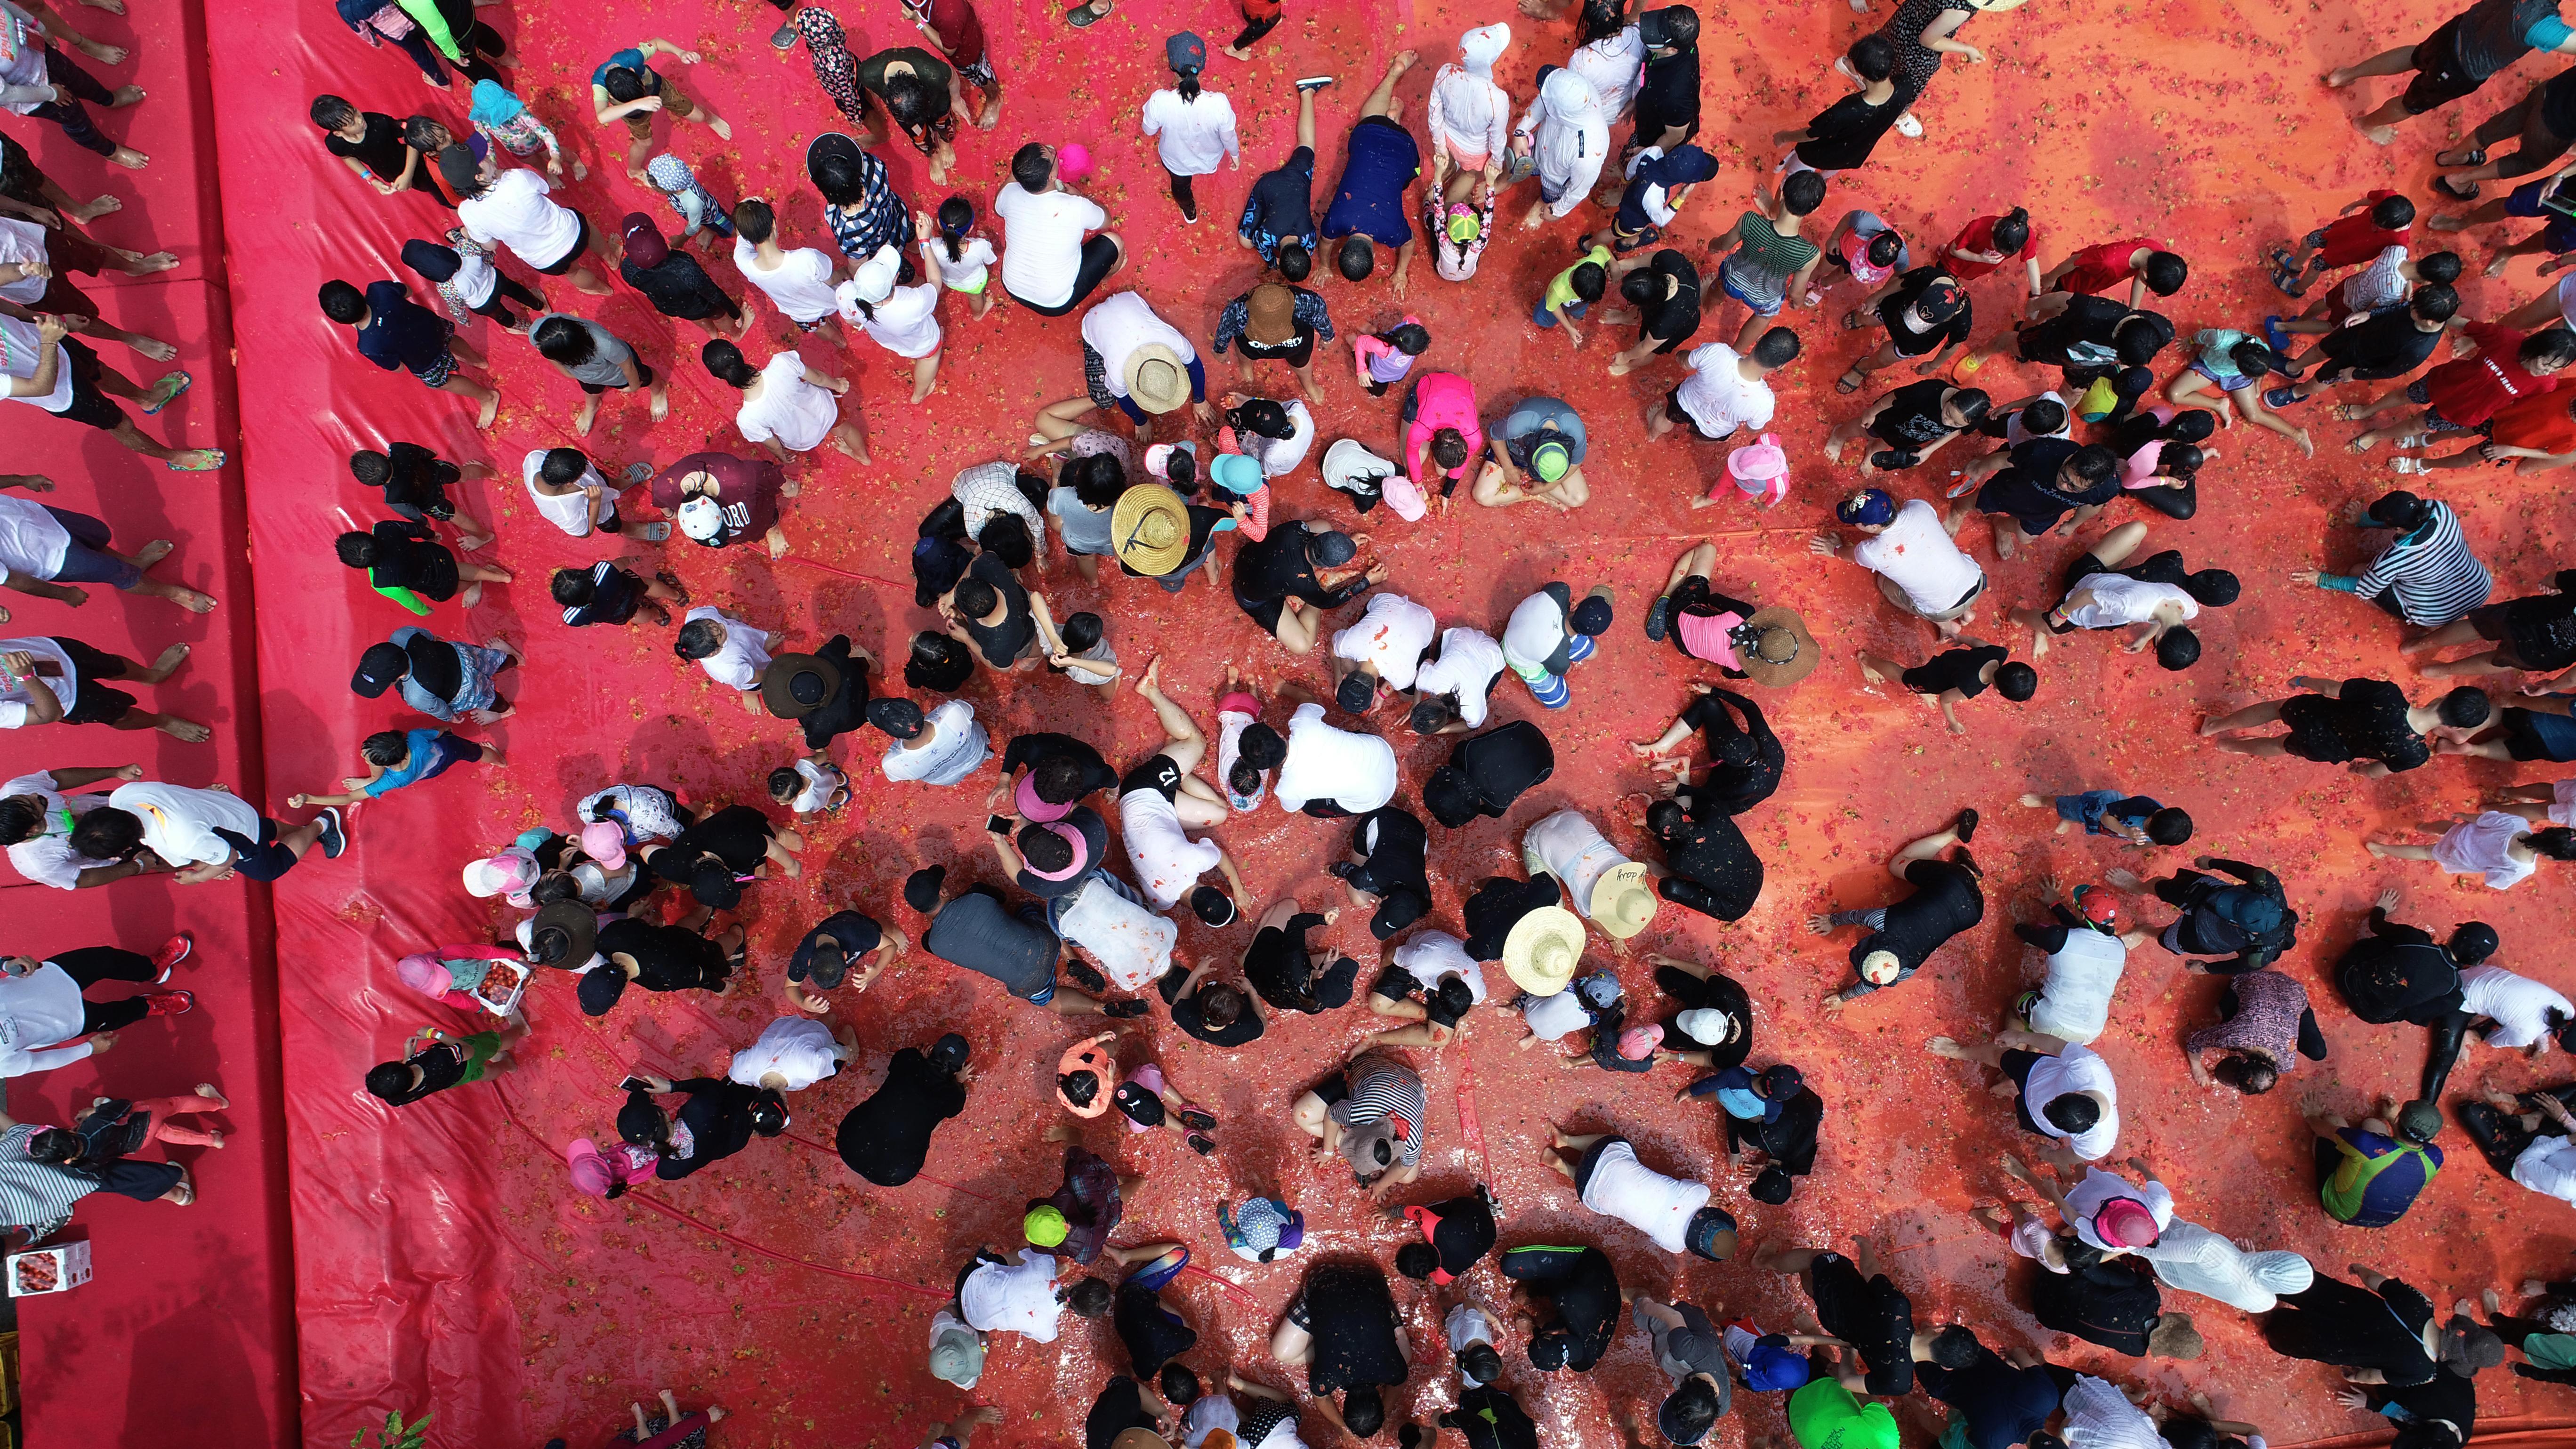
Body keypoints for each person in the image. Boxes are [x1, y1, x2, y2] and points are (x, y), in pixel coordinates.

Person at [2323, 0, 2576, 145]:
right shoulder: (2544, 28)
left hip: (2458, 29)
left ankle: (2345, 75)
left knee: (2417, 55)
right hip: (2464, 68)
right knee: (2410, 105)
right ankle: (2366, 124)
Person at [1809, 811, 1982, 1014]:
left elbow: (1872, 982)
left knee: (1897, 863)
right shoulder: (1885, 926)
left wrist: (1843, 997)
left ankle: (1957, 843)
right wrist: (1832, 921)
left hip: (1972, 913)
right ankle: (1964, 867)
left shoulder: (1906, 967)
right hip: (1961, 896)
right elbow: (1855, 919)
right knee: (1912, 877)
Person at [2008, 520, 2238, 670]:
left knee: (2136, 533)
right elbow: (2088, 595)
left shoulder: (2188, 608)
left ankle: (2044, 621)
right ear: (2160, 640)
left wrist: (2144, 638)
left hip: (2111, 582)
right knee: (2052, 627)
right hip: (2083, 589)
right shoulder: (2127, 608)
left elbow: (2166, 621)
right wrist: (2061, 614)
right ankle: (2019, 615)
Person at [908, 863, 1117, 1018]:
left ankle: (1100, 1008)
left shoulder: (934, 945)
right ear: (943, 892)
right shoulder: (976, 896)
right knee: (1028, 909)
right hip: (1044, 943)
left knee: (1048, 1000)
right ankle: (1071, 960)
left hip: (1028, 983)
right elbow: (1002, 898)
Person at [2203, 677, 2490, 775]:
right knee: (2282, 746)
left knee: (2276, 710)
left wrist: (2304, 681)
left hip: (2318, 713)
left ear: (2443, 696)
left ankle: (2215, 727)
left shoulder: (2388, 696)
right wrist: (2362, 770)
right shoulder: (2415, 755)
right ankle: (2230, 746)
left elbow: (2332, 688)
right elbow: (2378, 771)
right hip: (2329, 746)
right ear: (2453, 728)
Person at [317, 278, 500, 427]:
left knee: (443, 382)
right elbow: (408, 291)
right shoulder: (379, 290)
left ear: (342, 321)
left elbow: (398, 368)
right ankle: (478, 361)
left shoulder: (369, 346)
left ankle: (487, 397)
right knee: (450, 338)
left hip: (425, 360)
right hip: (432, 327)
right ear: (357, 292)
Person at [0, 491, 215, 615]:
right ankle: (173, 594)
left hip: (38, 517)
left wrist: (22, 479)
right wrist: (63, 594)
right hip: (49, 559)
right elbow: (13, 580)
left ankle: (135, 562)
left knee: (98, 533)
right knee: (118, 573)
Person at [0, 938, 193, 1075]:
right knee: (118, 1015)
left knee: (105, 959)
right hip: (68, 1021)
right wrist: (88, 1049)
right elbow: (36, 1062)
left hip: (47, 979)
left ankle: (152, 969)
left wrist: (6, 964)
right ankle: (151, 1005)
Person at [1926, 1030, 2121, 1166]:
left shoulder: (2100, 1142)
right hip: (2036, 1072)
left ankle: (2014, 1091)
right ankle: (1958, 1051)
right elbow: (2055, 1045)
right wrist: (2020, 1036)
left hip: (2036, 1121)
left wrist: (2051, 1155)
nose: (2046, 1104)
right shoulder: (2088, 1068)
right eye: (2051, 1102)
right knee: (1999, 1055)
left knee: (2022, 1114)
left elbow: (2074, 1155)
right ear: (2077, 1092)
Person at [1538, 1128, 1737, 1260]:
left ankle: (1566, 1140)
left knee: (1618, 1142)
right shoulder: (1676, 1245)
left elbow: (1694, 1193)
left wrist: (1708, 1200)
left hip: (1603, 1155)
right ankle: (1562, 1166)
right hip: (1588, 1192)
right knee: (1605, 1197)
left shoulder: (1699, 1193)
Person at [1811, 488, 1985, 636]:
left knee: (1884, 583)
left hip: (1944, 608)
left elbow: (1844, 553)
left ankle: (1945, 624)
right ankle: (1966, 613)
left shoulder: (1872, 551)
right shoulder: (1918, 507)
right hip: (1976, 581)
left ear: (1872, 528)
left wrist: (1834, 549)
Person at [445, 149, 614, 298]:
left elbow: (491, 245)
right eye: (482, 157)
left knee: (574, 272)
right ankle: (612, 259)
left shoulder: (467, 211)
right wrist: (504, 173)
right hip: (573, 232)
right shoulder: (516, 177)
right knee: (588, 227)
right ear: (479, 176)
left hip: (547, 261)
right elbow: (544, 188)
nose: (489, 156)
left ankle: (602, 289)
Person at [1321, 51, 1423, 296]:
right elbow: (1325, 242)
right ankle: (1393, 81)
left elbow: (1410, 243)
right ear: (1345, 244)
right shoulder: (1336, 222)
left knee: (1408, 175)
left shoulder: (1391, 232)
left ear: (1374, 252)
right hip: (1369, 134)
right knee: (1367, 119)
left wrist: (1400, 272)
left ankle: (1395, 120)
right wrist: (1325, 264)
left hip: (1406, 148)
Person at [1759, 1236, 1916, 1394]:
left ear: (1939, 1331)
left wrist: (1866, 1246)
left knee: (1818, 1257)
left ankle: (1764, 1260)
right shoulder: (1900, 1383)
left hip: (1846, 1295)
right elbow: (1848, 1381)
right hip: (1838, 1324)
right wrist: (1848, 1354)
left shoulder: (1899, 1310)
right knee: (1817, 1292)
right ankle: (1803, 1270)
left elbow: (1870, 1269)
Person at [1272, 1261, 1411, 1437]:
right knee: (1280, 1353)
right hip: (1321, 1282)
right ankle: (1326, 1343)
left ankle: (1328, 1341)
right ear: (1345, 1403)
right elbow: (1322, 1400)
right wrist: (1342, 1428)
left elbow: (1399, 1382)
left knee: (1405, 1356)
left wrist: (1384, 1412)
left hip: (1372, 1281)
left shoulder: (1394, 1369)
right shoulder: (1328, 1377)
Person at [2104, 853, 2299, 973]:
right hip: (2209, 892)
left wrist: (2206, 968)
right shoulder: (2269, 885)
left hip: (2210, 935)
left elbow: (2238, 967)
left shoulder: (2262, 954)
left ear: (2239, 925)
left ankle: (2145, 931)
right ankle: (2139, 887)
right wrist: (2213, 863)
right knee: (2167, 887)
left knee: (2168, 940)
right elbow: (2244, 870)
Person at [996, 143, 1122, 316]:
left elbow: (999, 205)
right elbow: (1106, 220)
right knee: (1115, 241)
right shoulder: (1076, 206)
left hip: (1012, 286)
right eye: (1051, 153)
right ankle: (1107, 274)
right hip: (1055, 304)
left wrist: (1024, 169)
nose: (1053, 149)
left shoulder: (1009, 194)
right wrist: (1080, 196)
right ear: (1052, 176)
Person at [1707, 171, 1826, 351]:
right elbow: (1795, 290)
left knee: (1721, 283)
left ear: (1783, 192)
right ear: (1814, 210)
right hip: (1764, 297)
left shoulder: (1750, 220)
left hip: (1734, 279)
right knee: (1764, 317)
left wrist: (1713, 245)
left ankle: (1709, 304)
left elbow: (1725, 244)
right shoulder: (1809, 254)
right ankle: (1737, 351)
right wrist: (1797, 301)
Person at [832, 1032, 969, 1185]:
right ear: (956, 1070)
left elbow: (898, 1064)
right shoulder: (954, 1096)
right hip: (894, 1173)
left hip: (849, 1143)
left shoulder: (908, 1058)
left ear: (933, 1051)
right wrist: (960, 1081)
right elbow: (954, 1104)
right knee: (935, 1122)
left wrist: (919, 1058)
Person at [701, 339, 868, 465]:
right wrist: (838, 384)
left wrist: (782, 456)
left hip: (802, 440)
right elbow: (818, 378)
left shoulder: (746, 420)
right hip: (825, 411)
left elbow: (773, 444)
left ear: (719, 378)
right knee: (846, 431)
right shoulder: (782, 363)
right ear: (741, 353)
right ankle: (862, 456)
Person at [1292, 1048, 1428, 1198]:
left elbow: (1405, 1167)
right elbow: (1332, 1115)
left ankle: (1367, 1153)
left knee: (1408, 1177)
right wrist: (1327, 1151)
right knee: (1301, 1114)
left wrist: (1381, 1185)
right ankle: (1347, 1143)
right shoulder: (1357, 1114)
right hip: (1366, 1071)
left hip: (1408, 1082)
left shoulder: (1412, 1141)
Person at [589, 38, 729, 181]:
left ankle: (709, 117)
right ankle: (634, 171)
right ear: (610, 95)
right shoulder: (599, 84)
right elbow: (602, 116)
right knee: (645, 143)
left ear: (632, 70)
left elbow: (656, 43)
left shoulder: (631, 59)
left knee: (698, 117)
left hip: (658, 88)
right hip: (634, 114)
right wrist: (638, 104)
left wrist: (680, 53)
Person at [619, 1070, 787, 1181]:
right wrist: (673, 1087)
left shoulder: (667, 1170)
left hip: (734, 1142)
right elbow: (714, 1086)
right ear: (661, 1112)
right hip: (741, 1105)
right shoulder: (698, 1110)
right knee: (736, 1081)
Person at [1142, 33, 1239, 224]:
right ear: (1202, 67)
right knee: (1201, 171)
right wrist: (1235, 155)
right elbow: (1228, 137)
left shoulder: (1159, 101)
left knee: (1181, 188)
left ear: (1172, 68)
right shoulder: (1219, 103)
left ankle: (1190, 211)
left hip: (1176, 162)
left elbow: (1149, 131)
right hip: (1209, 159)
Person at [283, 726, 499, 809]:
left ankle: (370, 781)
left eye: (368, 758)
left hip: (430, 771)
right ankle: (500, 760)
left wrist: (309, 798)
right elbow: (440, 731)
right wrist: (447, 729)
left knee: (376, 782)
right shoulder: (414, 737)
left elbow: (349, 798)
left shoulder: (394, 780)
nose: (362, 756)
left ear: (386, 765)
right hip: (446, 749)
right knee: (477, 753)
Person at [1855, 638, 2038, 735]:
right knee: (1903, 676)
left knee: (1922, 677)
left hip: (1950, 661)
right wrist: (1953, 723)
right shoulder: (1971, 687)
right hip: (1937, 678)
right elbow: (1945, 698)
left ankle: (1922, 690)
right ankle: (1866, 660)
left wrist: (1960, 638)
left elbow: (1977, 643)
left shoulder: (1999, 654)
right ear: (1999, 691)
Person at [2309, 1100, 2444, 1229]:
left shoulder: (2365, 1143)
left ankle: (2331, 1215)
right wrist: (2393, 1120)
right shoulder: (2436, 1157)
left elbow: (2322, 1128)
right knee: (2373, 1124)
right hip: (2383, 1220)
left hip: (2339, 1209)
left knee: (2334, 1121)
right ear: (2432, 1137)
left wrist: (2312, 1115)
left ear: (2398, 1118)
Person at [529, 311, 665, 437]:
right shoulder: (539, 333)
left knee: (646, 377)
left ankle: (659, 391)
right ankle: (592, 407)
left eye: (542, 349)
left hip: (615, 374)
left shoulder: (606, 345)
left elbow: (628, 366)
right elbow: (565, 370)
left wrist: (634, 386)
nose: (538, 347)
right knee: (590, 389)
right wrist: (571, 373)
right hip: (587, 376)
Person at [618, 214, 748, 341]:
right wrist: (735, 314)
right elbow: (714, 294)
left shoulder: (628, 269)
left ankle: (712, 333)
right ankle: (735, 334)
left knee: (695, 317)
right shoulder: (684, 267)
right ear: (666, 245)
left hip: (669, 306)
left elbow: (641, 288)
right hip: (700, 305)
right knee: (719, 315)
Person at [2368, 811, 2576, 889]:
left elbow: (2482, 819)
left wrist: (2463, 815)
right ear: (2550, 857)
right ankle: (2379, 848)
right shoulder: (2523, 870)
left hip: (2462, 832)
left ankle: (2422, 827)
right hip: (2460, 856)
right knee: (2425, 852)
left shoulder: (2517, 823)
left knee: (2447, 829)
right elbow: (2493, 880)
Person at [1498, 1241, 1621, 1374]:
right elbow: (1552, 1288)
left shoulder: (1582, 1363)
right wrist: (1528, 1293)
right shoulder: (1568, 1301)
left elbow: (1554, 1289)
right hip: (1591, 1266)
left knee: (1509, 1265)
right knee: (1509, 1264)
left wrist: (1532, 1328)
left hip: (1603, 1302)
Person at [857, 42, 966, 185]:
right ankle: (933, 154)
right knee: (919, 136)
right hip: (905, 112)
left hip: (937, 101)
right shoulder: (869, 74)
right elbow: (869, 93)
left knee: (944, 122)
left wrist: (957, 100)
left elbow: (952, 78)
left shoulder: (933, 74)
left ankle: (945, 142)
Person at [364, 1019, 526, 1109]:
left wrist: (408, 1056)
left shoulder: (395, 1098)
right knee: (496, 1043)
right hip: (464, 1060)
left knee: (482, 1074)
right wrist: (434, 1033)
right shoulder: (440, 1059)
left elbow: (405, 1077)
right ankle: (520, 1028)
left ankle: (508, 1066)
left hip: (454, 1079)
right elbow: (468, 1051)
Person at [311, 95, 443, 205]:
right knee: (433, 190)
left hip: (421, 164)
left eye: (356, 111)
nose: (360, 119)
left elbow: (413, 134)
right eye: (352, 123)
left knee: (443, 194)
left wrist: (408, 173)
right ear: (338, 133)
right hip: (393, 174)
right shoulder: (335, 144)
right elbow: (347, 157)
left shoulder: (379, 122)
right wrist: (372, 180)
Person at [1500, 582, 1614, 708]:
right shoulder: (1558, 660)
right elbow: (1560, 669)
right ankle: (1532, 684)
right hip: (1515, 654)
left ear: (1577, 606)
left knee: (1594, 652)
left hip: (1525, 626)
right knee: (1563, 706)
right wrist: (1565, 667)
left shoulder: (1561, 590)